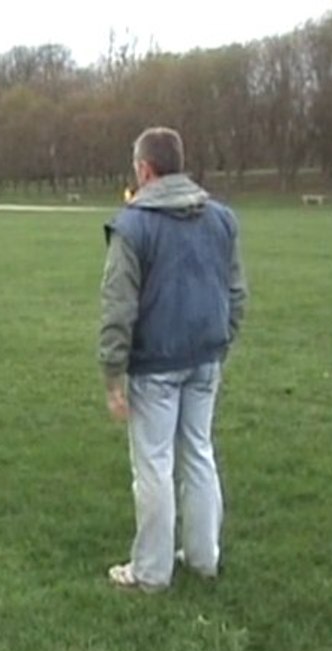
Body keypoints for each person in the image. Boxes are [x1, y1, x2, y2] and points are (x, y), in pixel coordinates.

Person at [98, 126, 249, 592]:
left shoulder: (133, 226)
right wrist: (222, 339)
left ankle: (151, 572)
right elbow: (236, 292)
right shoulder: (222, 219)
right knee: (199, 454)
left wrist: (112, 373)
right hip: (206, 357)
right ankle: (203, 558)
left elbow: (118, 306)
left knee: (154, 465)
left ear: (145, 170)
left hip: (156, 364)